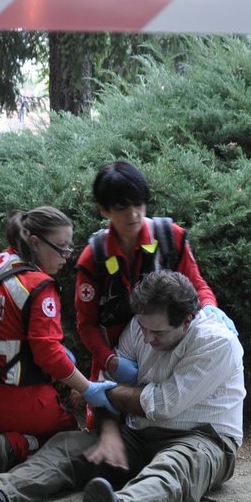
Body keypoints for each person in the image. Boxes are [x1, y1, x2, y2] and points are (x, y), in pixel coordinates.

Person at [0, 271, 244, 502]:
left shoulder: (216, 342)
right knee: (67, 446)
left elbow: (160, 403)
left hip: (203, 438)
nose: (147, 338)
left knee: (174, 467)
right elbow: (103, 384)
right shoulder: (140, 325)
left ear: (187, 320)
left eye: (157, 333)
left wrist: (106, 395)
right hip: (137, 432)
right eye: (144, 328)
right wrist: (108, 431)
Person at [0, 206, 117, 480]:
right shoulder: (38, 286)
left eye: (69, 246)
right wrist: (88, 389)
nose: (67, 255)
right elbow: (48, 353)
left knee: (64, 357)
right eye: (60, 247)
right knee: (66, 432)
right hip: (14, 404)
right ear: (35, 242)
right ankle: (14, 446)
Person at [74, 160, 230, 385]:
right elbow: (86, 324)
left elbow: (198, 287)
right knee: (107, 420)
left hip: (169, 355)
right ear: (103, 209)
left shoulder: (170, 238)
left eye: (138, 204)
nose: (133, 214)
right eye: (121, 207)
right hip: (117, 363)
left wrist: (210, 311)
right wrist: (111, 361)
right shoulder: (94, 257)